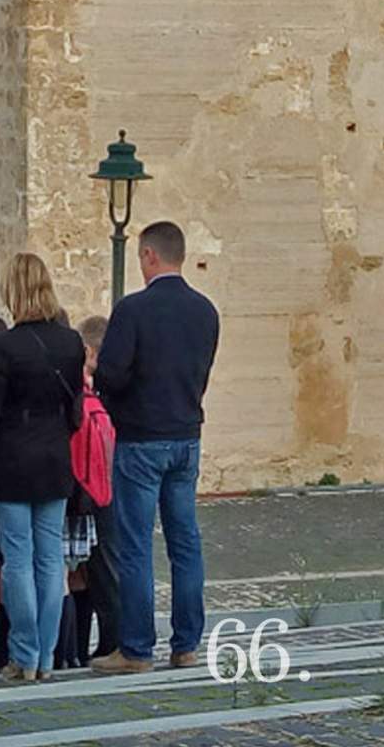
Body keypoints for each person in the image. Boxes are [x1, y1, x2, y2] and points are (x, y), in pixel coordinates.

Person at [91, 222, 220, 675]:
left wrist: (113, 396)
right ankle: (186, 645)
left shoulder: (133, 310)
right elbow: (202, 372)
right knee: (186, 542)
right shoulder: (206, 311)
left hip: (142, 438)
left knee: (135, 545)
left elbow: (110, 374)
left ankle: (136, 649)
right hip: (186, 435)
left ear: (148, 255)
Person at [0, 254, 86, 683]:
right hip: (55, 456)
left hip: (13, 462)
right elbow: (74, 407)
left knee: (17, 559)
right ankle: (47, 655)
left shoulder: (5, 345)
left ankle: (24, 654)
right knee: (50, 559)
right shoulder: (72, 342)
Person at [74, 314, 120, 659]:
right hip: (114, 481)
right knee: (104, 563)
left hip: (93, 485)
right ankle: (108, 637)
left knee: (96, 565)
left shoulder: (88, 391)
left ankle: (109, 639)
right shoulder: (117, 387)